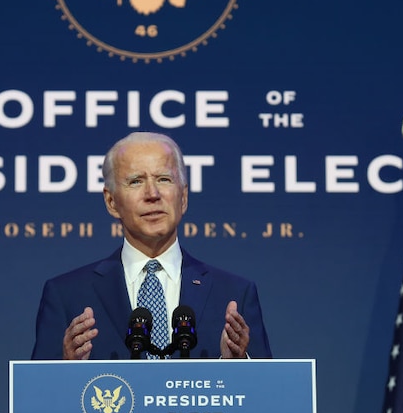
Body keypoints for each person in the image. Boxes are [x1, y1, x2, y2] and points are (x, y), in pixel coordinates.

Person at [31, 132, 272, 360]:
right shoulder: (67, 295)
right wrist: (64, 368)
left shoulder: (234, 294)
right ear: (111, 201)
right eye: (136, 181)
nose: (153, 194)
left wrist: (239, 365)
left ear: (183, 197)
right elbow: (36, 397)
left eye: (164, 179)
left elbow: (269, 396)